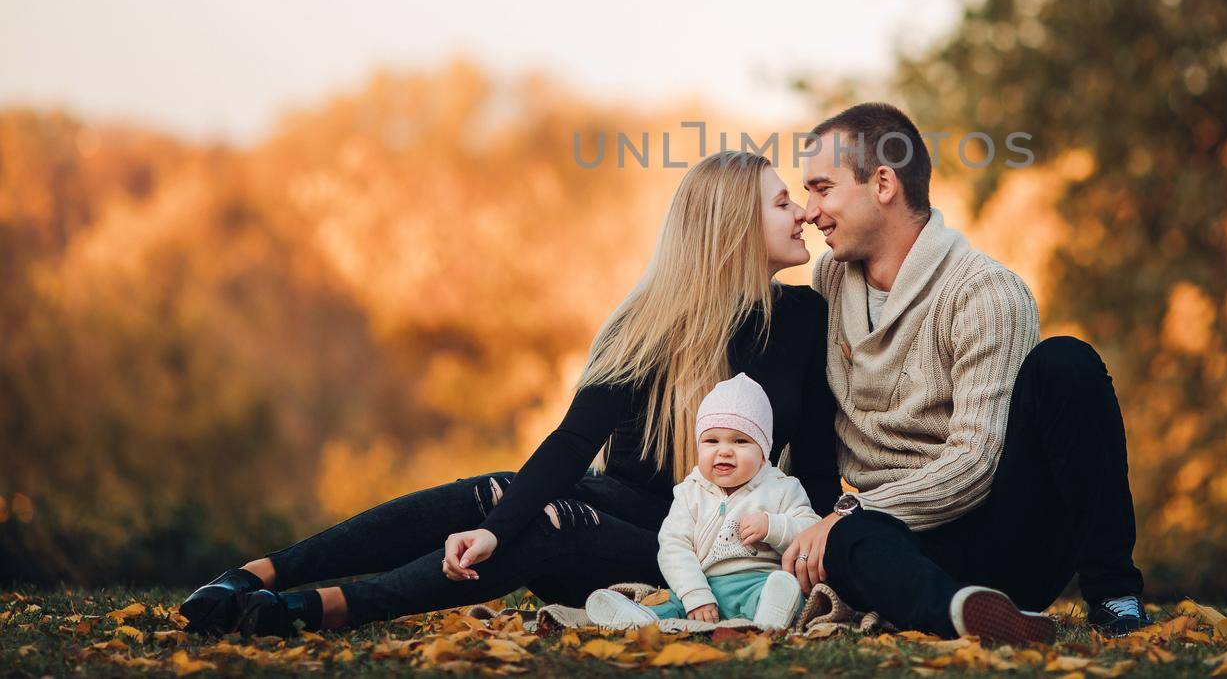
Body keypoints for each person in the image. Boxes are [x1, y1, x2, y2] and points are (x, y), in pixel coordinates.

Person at [178, 151, 840, 637]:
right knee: (499, 492)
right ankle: (261, 572)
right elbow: (575, 440)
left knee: (549, 518)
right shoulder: (651, 319)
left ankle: (323, 607)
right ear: (730, 223)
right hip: (615, 503)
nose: (802, 213)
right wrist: (494, 528)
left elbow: (811, 460)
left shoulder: (805, 317)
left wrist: (806, 539)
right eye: (782, 201)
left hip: (695, 545)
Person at [781, 103, 1152, 642]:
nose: (809, 211)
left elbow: (976, 462)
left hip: (1002, 535)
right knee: (847, 542)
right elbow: (810, 421)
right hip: (894, 547)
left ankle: (1115, 595)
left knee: (1067, 362)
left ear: (883, 183)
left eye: (822, 188)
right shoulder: (830, 281)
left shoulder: (986, 293)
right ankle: (964, 615)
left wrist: (850, 511)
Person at [585, 373, 816, 631]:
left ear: (763, 453)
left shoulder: (782, 488)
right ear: (699, 447)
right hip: (705, 585)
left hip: (758, 583)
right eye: (711, 441)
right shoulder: (689, 493)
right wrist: (696, 595)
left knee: (783, 588)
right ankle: (640, 617)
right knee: (671, 601)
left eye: (740, 441)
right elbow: (674, 546)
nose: (724, 450)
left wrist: (773, 526)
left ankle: (772, 614)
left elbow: (810, 531)